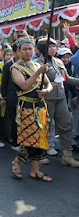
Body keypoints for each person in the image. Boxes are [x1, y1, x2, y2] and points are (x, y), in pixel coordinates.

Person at [10, 36, 53, 181]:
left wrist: (46, 91)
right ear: (18, 51)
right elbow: (24, 85)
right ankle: (17, 161)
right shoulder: (16, 67)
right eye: (25, 49)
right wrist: (38, 72)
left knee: (40, 138)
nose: (28, 52)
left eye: (30, 49)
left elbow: (49, 84)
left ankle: (35, 170)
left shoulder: (37, 65)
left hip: (40, 106)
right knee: (29, 139)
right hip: (26, 106)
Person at [35, 38, 79, 167]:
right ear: (43, 49)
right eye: (50, 47)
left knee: (65, 126)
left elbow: (67, 79)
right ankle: (40, 154)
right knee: (45, 126)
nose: (54, 49)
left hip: (61, 97)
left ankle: (67, 156)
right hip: (46, 97)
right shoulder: (38, 63)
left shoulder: (59, 62)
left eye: (55, 46)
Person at [1, 43, 20, 151]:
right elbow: (4, 83)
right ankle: (15, 142)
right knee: (14, 120)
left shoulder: (29, 64)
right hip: (12, 96)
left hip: (24, 96)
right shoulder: (8, 65)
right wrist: (4, 97)